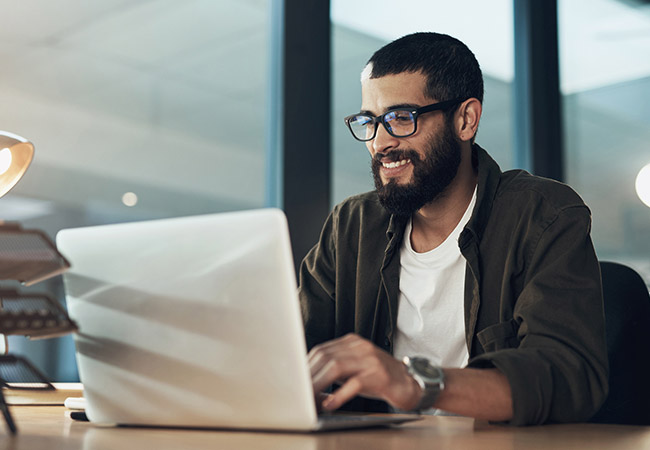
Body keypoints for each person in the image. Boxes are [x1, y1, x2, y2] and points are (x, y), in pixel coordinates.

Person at [298, 32, 608, 426]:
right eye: (370, 121)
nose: (380, 142)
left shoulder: (543, 214)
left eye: (400, 118)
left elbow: (568, 375)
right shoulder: (351, 226)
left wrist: (418, 383)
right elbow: (291, 349)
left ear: (466, 119)